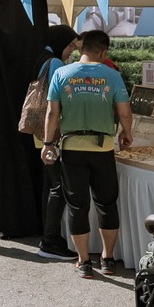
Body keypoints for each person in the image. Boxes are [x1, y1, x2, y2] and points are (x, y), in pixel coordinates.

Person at [40, 29, 133, 277]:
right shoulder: (112, 75)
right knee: (106, 204)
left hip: (72, 149)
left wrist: (48, 143)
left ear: (82, 48)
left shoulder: (61, 73)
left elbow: (52, 113)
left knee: (77, 207)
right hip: (103, 148)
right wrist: (126, 133)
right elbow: (124, 112)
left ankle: (84, 262)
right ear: (103, 52)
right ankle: (107, 259)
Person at [32, 25, 79, 261]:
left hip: (41, 134)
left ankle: (48, 235)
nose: (72, 51)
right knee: (58, 186)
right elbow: (57, 104)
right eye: (70, 45)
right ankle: (50, 241)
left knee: (50, 185)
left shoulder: (42, 57)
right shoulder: (55, 64)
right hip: (51, 135)